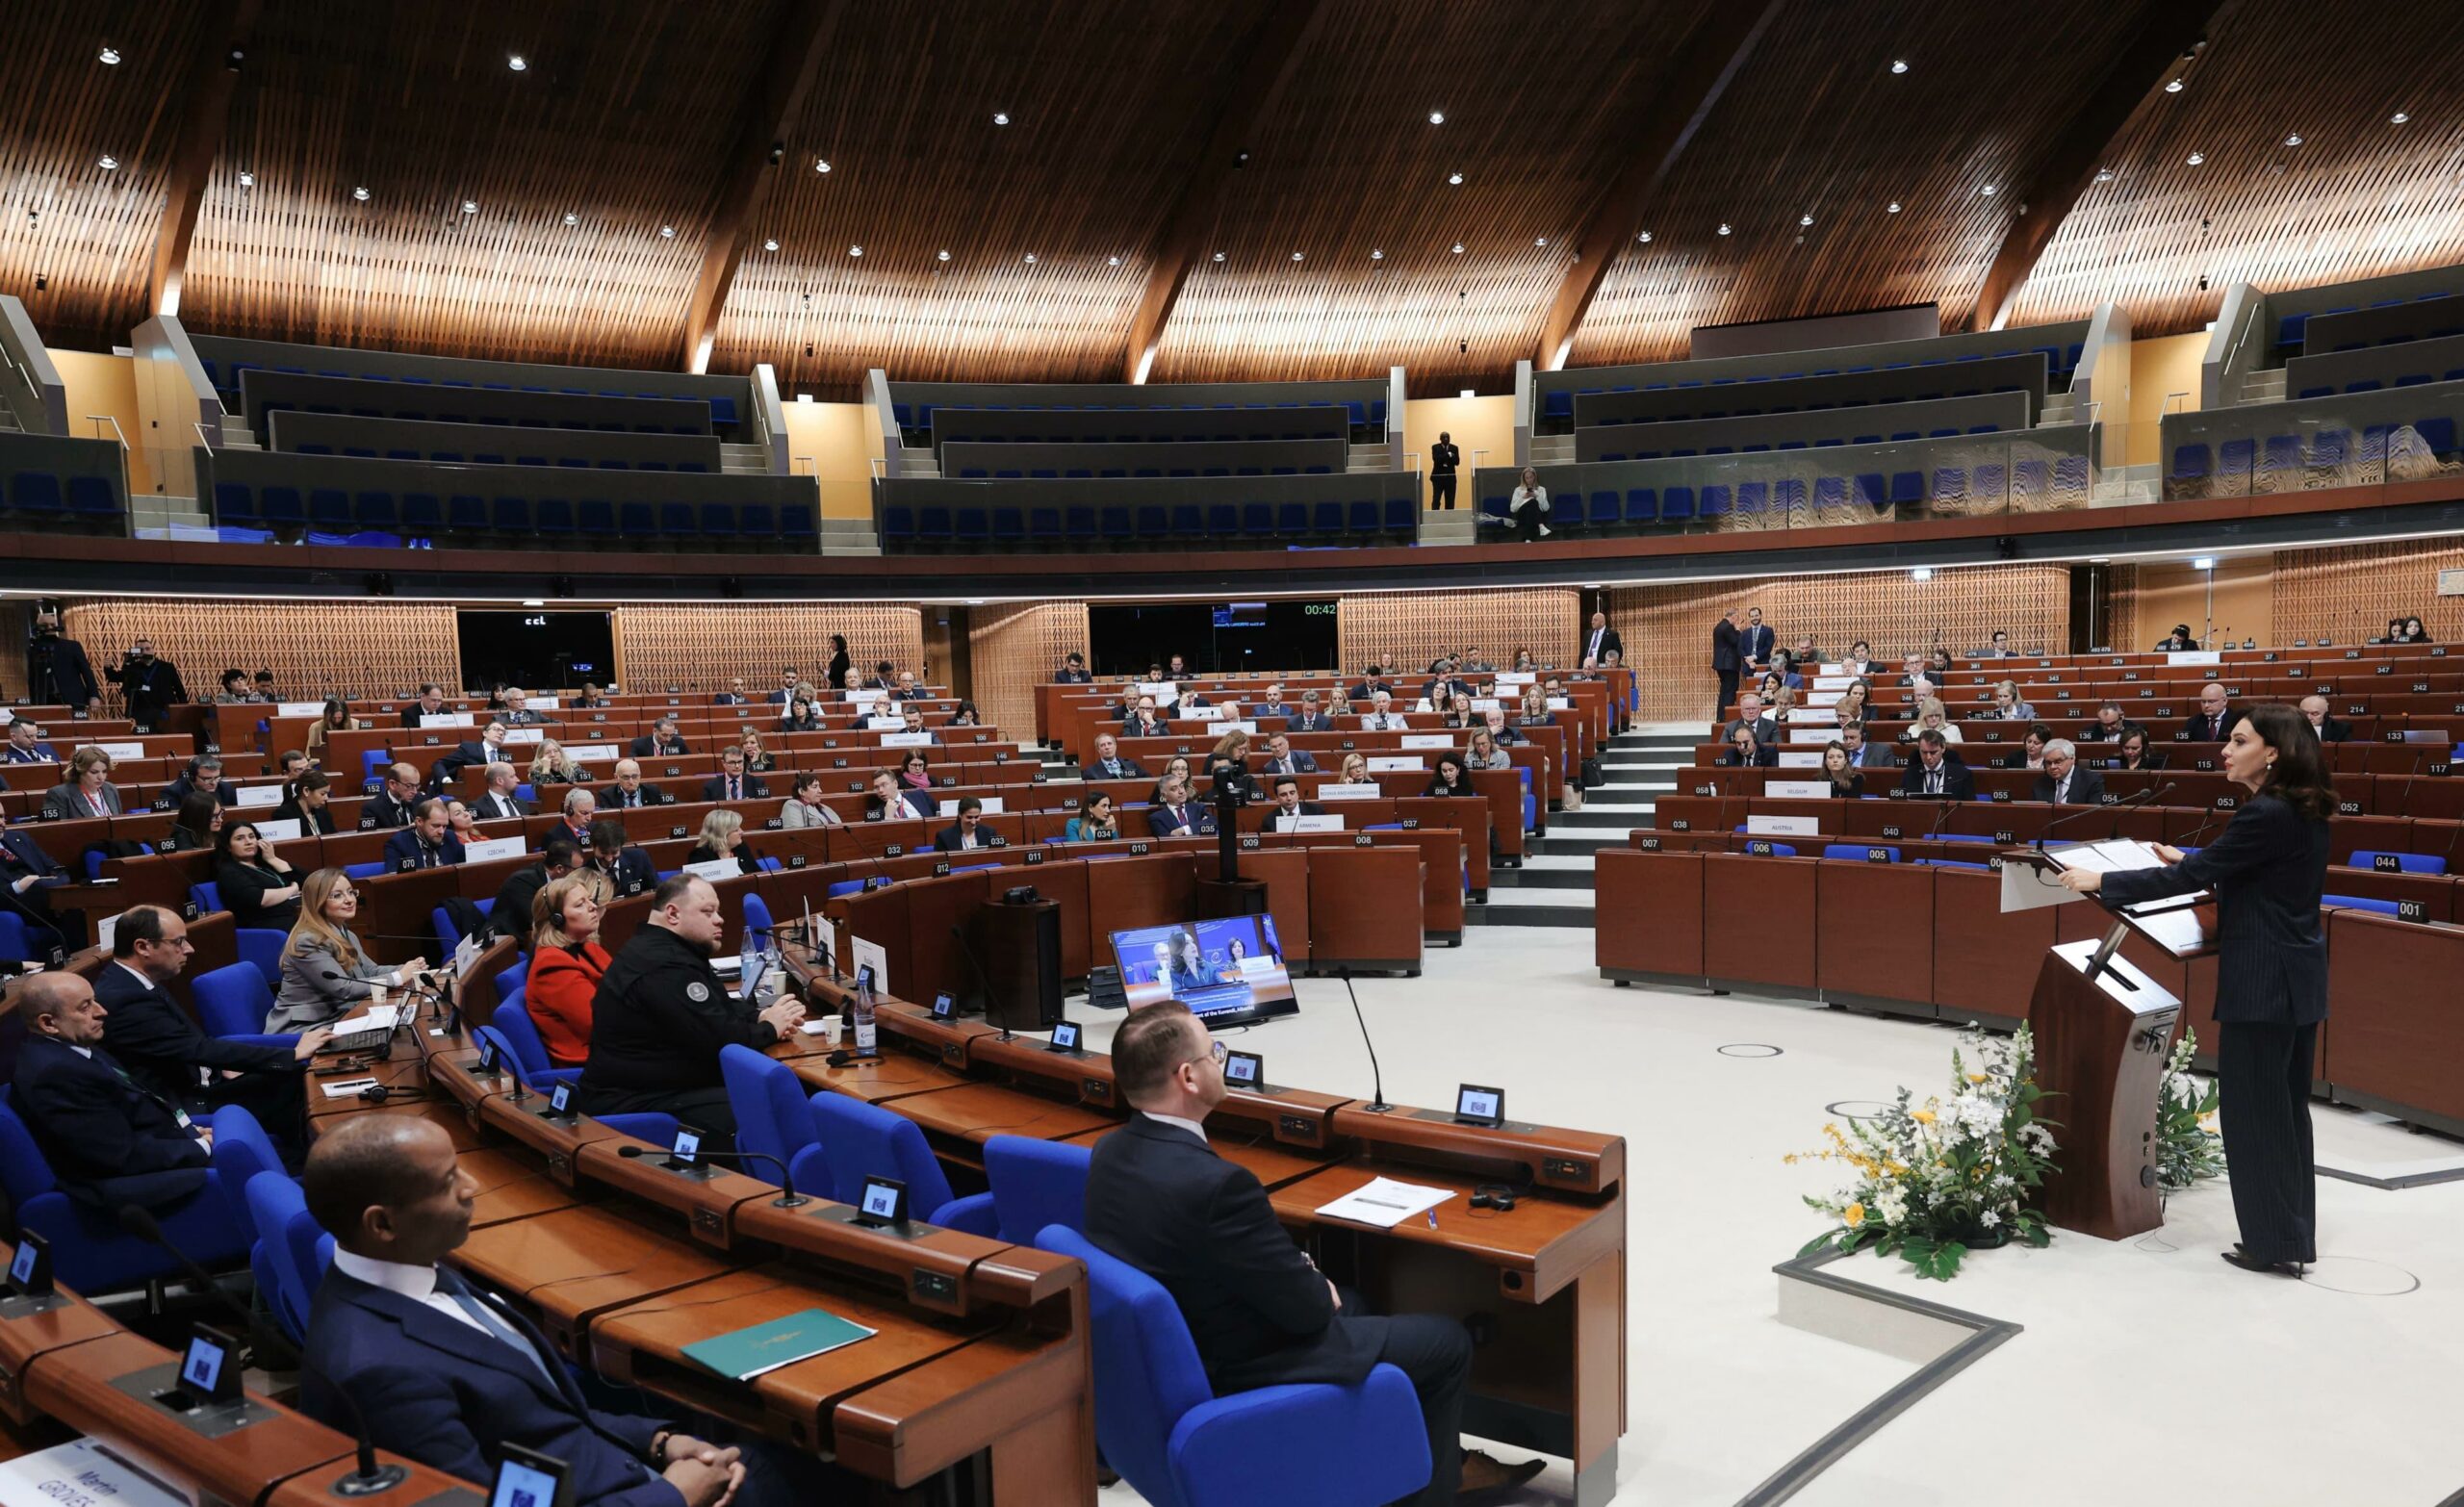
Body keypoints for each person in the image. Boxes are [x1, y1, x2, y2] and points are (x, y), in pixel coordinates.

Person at [1086, 1002, 1540, 1507]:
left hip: (1179, 1350)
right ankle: (1432, 1491)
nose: (1221, 1060)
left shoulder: (1109, 1153)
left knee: (1358, 1301)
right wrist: (1314, 1285)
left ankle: (1390, 1466)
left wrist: (1312, 1283)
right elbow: (1305, 1312)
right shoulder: (1219, 1186)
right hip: (1238, 1365)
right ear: (1188, 1077)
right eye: (1215, 1051)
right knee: (1446, 1343)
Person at [298, 1116, 833, 1507]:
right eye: (447, 1182)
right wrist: (675, 1495)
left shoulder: (410, 1268)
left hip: (619, 1468)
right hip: (630, 1496)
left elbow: (540, 1413)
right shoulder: (379, 1371)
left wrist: (661, 1441)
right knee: (824, 1467)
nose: (472, 1187)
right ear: (383, 1224)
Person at [2058, 705, 2333, 1276]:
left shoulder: (2265, 812)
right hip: (2296, 979)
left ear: (2273, 751)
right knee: (2285, 1112)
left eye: (2239, 741)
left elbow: (2186, 880)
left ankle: (2272, 1243)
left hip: (2263, 983)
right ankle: (2288, 1232)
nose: (2225, 751)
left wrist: (2102, 879)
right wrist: (2196, 858)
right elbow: (2248, 869)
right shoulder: (2298, 807)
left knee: (2253, 1114)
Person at [576, 877, 804, 1142]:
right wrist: (769, 1028)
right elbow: (720, 1042)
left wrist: (758, 1016)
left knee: (776, 1091)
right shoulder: (664, 966)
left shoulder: (663, 949)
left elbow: (714, 1007)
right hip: (637, 1099)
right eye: (708, 912)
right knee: (773, 1110)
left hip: (660, 1086)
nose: (719, 920)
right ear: (673, 914)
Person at [11, 972, 217, 1212]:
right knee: (243, 1162)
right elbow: (119, 1154)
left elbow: (129, 1112)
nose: (102, 1011)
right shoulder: (55, 1075)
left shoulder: (75, 1049)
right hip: (128, 1192)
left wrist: (186, 1132)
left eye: (94, 1001)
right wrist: (199, 1147)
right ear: (48, 1023)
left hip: (156, 1148)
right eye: (85, 1007)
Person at [270, 869, 421, 1033]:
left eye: (351, 892)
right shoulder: (308, 941)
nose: (349, 900)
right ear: (317, 902)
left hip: (337, 1016)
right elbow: (343, 988)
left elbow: (370, 971)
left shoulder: (346, 934)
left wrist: (409, 969)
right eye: (337, 895)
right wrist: (398, 977)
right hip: (305, 1027)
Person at [524, 871, 612, 1065]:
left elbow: (625, 987)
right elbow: (601, 1022)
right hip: (595, 1062)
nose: (593, 906)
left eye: (589, 900)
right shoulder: (551, 965)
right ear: (557, 919)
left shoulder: (587, 946)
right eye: (580, 904)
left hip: (616, 1046)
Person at [490, 838, 581, 950]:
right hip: (507, 944)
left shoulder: (562, 883)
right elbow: (537, 921)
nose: (580, 875)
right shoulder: (521, 882)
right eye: (577, 870)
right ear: (559, 869)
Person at [215, 821, 303, 930]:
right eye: (239, 838)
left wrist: (273, 859)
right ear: (228, 846)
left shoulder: (265, 864)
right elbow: (260, 899)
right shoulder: (230, 872)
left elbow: (303, 881)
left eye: (252, 837)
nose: (248, 842)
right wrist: (292, 890)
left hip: (291, 915)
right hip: (265, 924)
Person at [25, 611, 102, 714]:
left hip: (74, 698)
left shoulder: (72, 646)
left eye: (52, 624)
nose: (50, 627)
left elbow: (86, 671)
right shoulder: (34, 650)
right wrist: (33, 703)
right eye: (45, 625)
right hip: (45, 700)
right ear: (38, 628)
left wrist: (94, 696)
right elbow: (32, 678)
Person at [106, 638, 189, 728]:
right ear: (137, 653)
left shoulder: (167, 667)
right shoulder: (132, 668)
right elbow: (115, 677)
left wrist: (182, 712)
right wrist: (107, 668)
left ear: (153, 650)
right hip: (141, 712)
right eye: (141, 650)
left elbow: (179, 690)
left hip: (164, 711)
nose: (145, 652)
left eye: (148, 649)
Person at [40, 746, 122, 820]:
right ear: (80, 771)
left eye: (104, 771)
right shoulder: (59, 794)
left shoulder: (110, 788)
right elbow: (54, 828)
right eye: (94, 772)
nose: (101, 777)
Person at [384, 799, 465, 872]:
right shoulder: (399, 843)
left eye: (444, 826)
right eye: (436, 826)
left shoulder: (450, 837)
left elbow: (468, 861)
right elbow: (395, 878)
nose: (441, 831)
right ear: (419, 821)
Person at [588, 820, 657, 900]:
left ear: (621, 847)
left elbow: (657, 890)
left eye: (614, 852)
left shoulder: (639, 858)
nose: (609, 859)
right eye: (604, 852)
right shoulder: (584, 873)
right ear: (593, 847)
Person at [1897, 729, 1974, 800]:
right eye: (1924, 752)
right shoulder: (1909, 774)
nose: (1928, 757)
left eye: (1933, 752)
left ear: (1943, 748)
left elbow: (1970, 807)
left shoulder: (1961, 775)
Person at [2032, 739, 2105, 805]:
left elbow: (2094, 812)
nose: (2052, 767)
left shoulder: (2091, 781)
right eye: (2048, 763)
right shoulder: (2040, 784)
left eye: (2058, 762)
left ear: (2072, 759)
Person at [684, 809, 752, 874]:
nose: (742, 832)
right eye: (736, 830)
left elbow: (755, 873)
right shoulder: (700, 855)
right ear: (722, 834)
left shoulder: (741, 848)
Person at [1147, 777, 1216, 837]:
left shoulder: (1199, 808)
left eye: (1181, 786)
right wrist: (1199, 825)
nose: (1181, 791)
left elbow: (1213, 822)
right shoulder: (1157, 818)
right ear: (1164, 795)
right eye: (1174, 789)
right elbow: (1167, 842)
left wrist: (1185, 830)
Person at [276, 770, 339, 835]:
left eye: (327, 794)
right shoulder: (284, 815)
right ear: (306, 791)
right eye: (322, 794)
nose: (326, 798)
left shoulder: (324, 814)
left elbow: (334, 839)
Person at [161, 792, 225, 855]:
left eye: (220, 813)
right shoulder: (181, 838)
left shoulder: (219, 833)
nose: (220, 820)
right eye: (213, 816)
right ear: (197, 817)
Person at [363, 763, 423, 829]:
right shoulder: (372, 808)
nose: (415, 792)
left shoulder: (421, 800)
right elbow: (368, 835)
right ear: (392, 784)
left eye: (417, 786)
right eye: (409, 786)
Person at [700, 747, 768, 804]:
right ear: (723, 763)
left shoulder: (757, 782)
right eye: (732, 762)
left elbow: (764, 806)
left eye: (740, 762)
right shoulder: (711, 786)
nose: (737, 766)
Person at [1205, 729, 1256, 804]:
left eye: (1245, 749)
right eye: (1240, 749)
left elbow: (1242, 784)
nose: (1243, 752)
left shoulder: (1242, 762)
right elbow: (1207, 782)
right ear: (1230, 747)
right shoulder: (1213, 759)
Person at [1711, 607, 1744, 723]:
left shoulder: (1718, 626)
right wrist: (1738, 630)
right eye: (1737, 617)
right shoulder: (1728, 627)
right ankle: (1726, 718)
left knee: (1724, 691)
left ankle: (1720, 717)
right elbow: (1736, 641)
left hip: (1721, 664)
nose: (1737, 620)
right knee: (1730, 691)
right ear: (1733, 616)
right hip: (1729, 664)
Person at [598, 758, 672, 809]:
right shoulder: (606, 795)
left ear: (640, 775)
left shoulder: (652, 791)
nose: (631, 782)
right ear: (616, 777)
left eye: (634, 776)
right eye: (626, 777)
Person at [865, 769, 933, 823]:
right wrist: (888, 818)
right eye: (876, 787)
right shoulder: (877, 814)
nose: (880, 790)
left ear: (895, 783)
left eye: (884, 785)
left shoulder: (919, 795)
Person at [779, 772, 843, 828]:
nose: (820, 791)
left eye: (819, 787)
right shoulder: (793, 805)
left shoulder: (824, 807)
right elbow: (796, 834)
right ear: (801, 791)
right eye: (815, 787)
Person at [1262, 776, 1327, 831]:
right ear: (1276, 798)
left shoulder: (1316, 812)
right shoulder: (1269, 821)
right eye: (1283, 795)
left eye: (1292, 793)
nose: (1289, 798)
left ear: (1297, 794)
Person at [1505, 466, 1552, 540]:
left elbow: (1546, 508)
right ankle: (1541, 526)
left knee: (1530, 511)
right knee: (1532, 502)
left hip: (1535, 515)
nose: (1529, 480)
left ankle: (1528, 539)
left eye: (1531, 477)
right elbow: (1513, 509)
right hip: (1521, 514)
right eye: (1527, 478)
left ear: (1534, 477)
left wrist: (1537, 496)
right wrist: (1523, 497)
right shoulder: (1518, 490)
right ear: (1524, 479)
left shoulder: (1541, 489)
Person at [1427, 430, 1459, 510]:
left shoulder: (1454, 448)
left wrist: (1452, 456)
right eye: (1444, 437)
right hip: (1438, 478)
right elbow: (1436, 459)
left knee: (1450, 500)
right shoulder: (1435, 447)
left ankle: (1449, 516)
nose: (1446, 439)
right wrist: (1448, 455)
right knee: (1436, 499)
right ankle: (1435, 516)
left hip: (1450, 478)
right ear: (1440, 439)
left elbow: (1457, 462)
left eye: (1447, 437)